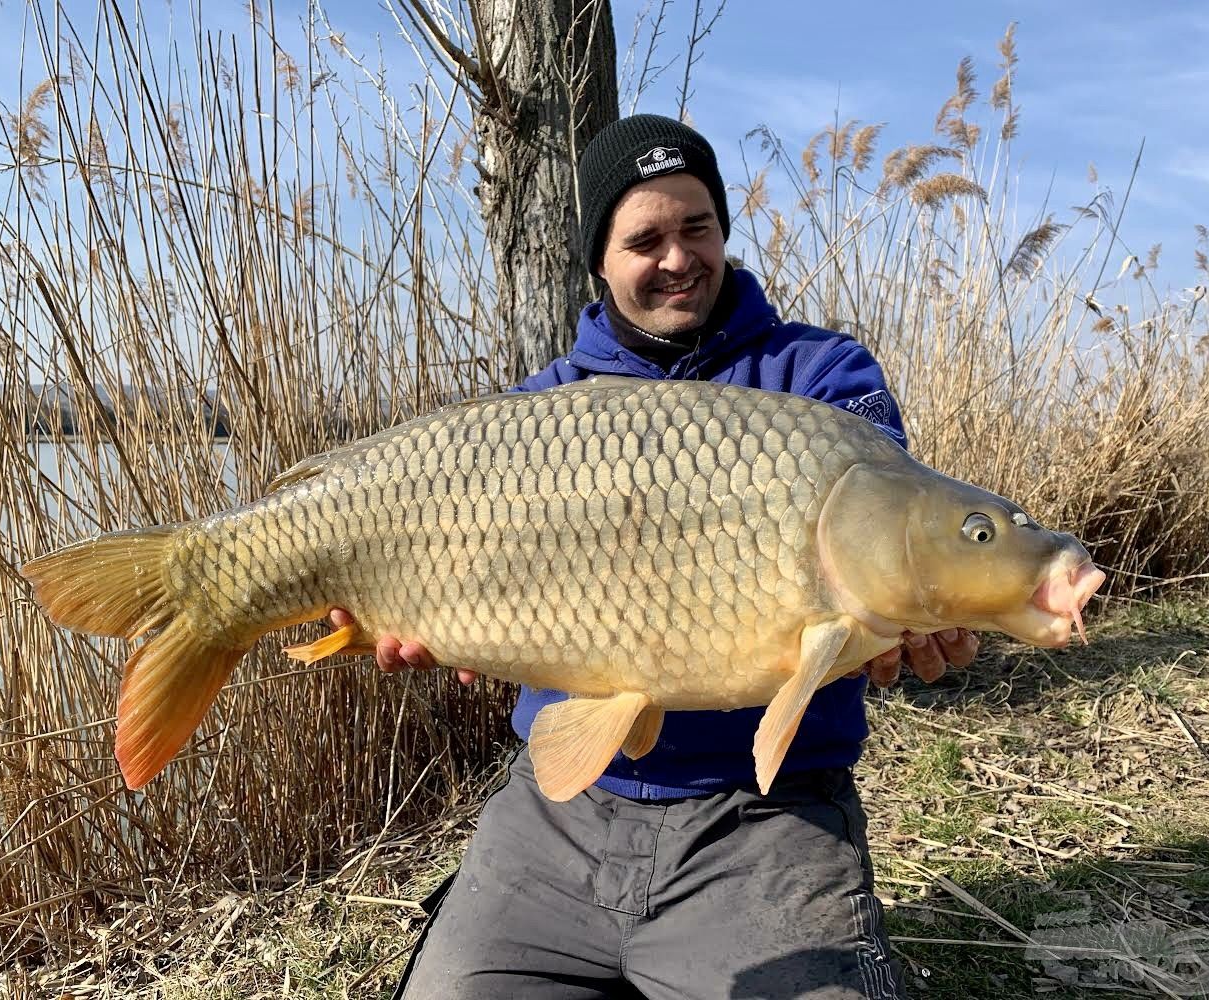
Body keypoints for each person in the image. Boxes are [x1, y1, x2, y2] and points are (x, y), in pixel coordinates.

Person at [331, 114, 978, 999]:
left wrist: (921, 623)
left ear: (722, 230)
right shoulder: (537, 415)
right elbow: (436, 586)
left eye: (696, 227)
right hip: (558, 812)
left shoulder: (822, 380)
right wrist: (405, 617)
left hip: (766, 811)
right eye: (644, 239)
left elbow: (902, 541)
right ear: (599, 260)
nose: (677, 258)